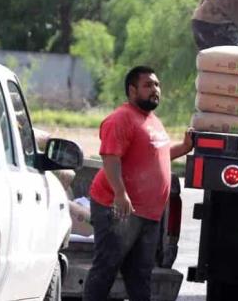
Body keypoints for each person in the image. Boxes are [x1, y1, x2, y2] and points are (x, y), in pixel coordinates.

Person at [83, 66, 194, 301]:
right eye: (148, 85)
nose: (155, 90)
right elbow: (110, 158)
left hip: (147, 215)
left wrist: (184, 148)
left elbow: (158, 155)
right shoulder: (121, 118)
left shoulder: (151, 120)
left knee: (140, 275)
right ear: (132, 90)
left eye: (157, 85)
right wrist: (120, 194)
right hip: (119, 210)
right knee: (106, 268)